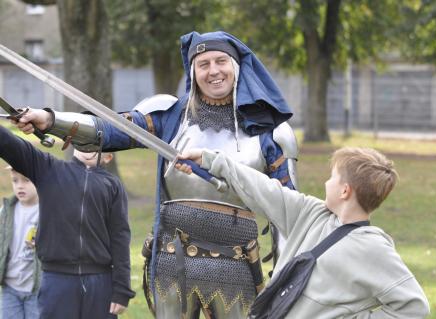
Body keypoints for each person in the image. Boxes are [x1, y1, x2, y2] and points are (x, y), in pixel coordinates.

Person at [12, 31, 298, 318]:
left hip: (235, 265)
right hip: (172, 261)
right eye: (203, 64)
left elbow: (289, 213)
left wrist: (285, 279)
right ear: (193, 70)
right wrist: (50, 119)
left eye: (220, 61)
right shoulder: (169, 115)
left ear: (235, 66)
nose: (213, 71)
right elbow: (110, 129)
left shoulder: (269, 131)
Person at [175, 147, 430, 318]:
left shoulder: (373, 248)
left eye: (332, 178)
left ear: (345, 191)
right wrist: (211, 160)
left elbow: (413, 306)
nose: (326, 182)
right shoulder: (312, 214)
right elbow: (264, 189)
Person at [0, 125, 135, 319]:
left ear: (107, 155)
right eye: (82, 136)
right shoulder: (48, 170)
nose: (88, 144)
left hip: (100, 282)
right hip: (57, 281)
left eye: (95, 139)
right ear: (71, 142)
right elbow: (10, 144)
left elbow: (120, 237)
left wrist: (122, 288)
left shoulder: (113, 186)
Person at [0, 167, 41, 319]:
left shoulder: (47, 211)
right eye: (15, 180)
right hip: (10, 288)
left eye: (26, 180)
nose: (20, 186)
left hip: (36, 289)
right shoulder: (7, 210)